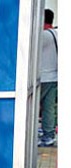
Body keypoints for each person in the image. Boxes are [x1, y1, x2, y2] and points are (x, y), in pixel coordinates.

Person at [39, 9, 57, 147]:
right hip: (55, 77)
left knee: (33, 108)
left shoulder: (43, 36)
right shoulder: (57, 33)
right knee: (48, 108)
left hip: (43, 77)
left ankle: (33, 133)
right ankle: (49, 135)